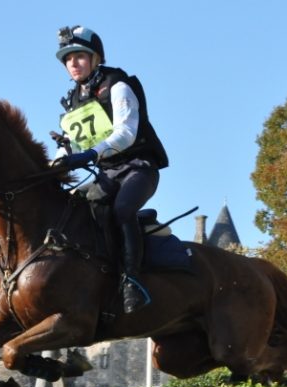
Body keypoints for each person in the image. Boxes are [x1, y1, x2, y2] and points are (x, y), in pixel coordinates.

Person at [51, 25, 169, 314]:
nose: (73, 63)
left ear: (96, 58)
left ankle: (133, 282)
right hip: (108, 174)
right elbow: (71, 146)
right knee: (71, 210)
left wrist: (91, 154)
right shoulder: (72, 101)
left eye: (79, 56)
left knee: (122, 210)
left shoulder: (118, 85)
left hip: (138, 168)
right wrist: (53, 165)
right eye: (68, 59)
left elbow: (126, 134)